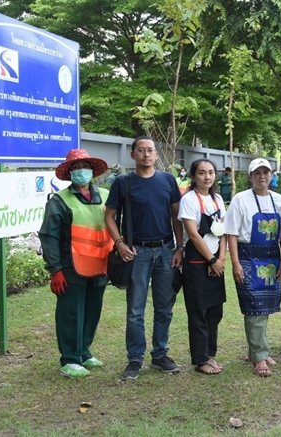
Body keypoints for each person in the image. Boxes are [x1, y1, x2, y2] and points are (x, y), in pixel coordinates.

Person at [105, 136, 185, 380]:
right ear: (133, 155)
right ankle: (135, 358)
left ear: (157, 155)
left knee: (164, 307)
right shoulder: (123, 183)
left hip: (165, 250)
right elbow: (109, 216)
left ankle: (160, 354)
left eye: (150, 150)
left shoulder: (167, 180)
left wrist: (179, 247)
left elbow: (176, 216)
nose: (146, 155)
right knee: (135, 309)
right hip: (136, 252)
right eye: (141, 150)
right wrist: (119, 243)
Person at [39, 148, 112, 378]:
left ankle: (84, 352)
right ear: (70, 173)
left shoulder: (106, 195)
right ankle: (70, 359)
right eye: (77, 168)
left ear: (93, 171)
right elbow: (49, 236)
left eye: (85, 167)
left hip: (101, 264)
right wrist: (55, 270)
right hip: (71, 266)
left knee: (92, 311)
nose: (82, 171)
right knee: (71, 313)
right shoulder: (60, 200)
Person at [226, 158, 281, 377]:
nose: (262, 177)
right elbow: (231, 234)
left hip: (271, 258)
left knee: (266, 305)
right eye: (257, 173)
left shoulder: (279, 201)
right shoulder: (240, 199)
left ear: (271, 176)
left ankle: (256, 350)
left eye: (266, 172)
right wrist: (235, 264)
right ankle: (260, 357)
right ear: (250, 176)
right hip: (247, 257)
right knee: (254, 306)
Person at [178, 159, 227, 375]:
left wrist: (222, 258)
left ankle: (210, 354)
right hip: (198, 261)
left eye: (210, 172)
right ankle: (200, 359)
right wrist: (211, 260)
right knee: (198, 311)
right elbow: (194, 234)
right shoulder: (188, 200)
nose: (207, 177)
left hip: (217, 259)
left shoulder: (217, 199)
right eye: (201, 173)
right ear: (193, 176)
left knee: (215, 310)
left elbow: (224, 230)